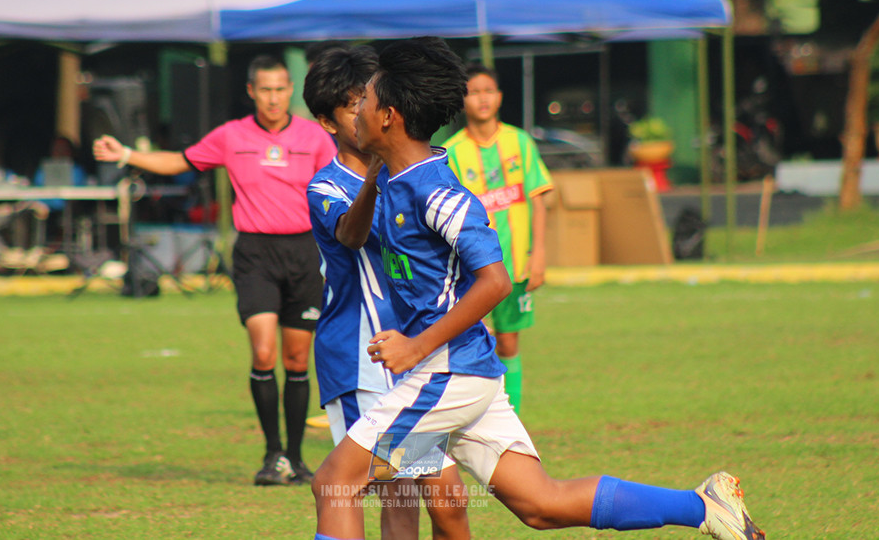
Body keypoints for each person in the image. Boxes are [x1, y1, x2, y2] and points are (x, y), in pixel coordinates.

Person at [311, 37, 764, 540]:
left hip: (445, 374)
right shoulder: (396, 182)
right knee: (540, 504)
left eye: (366, 100)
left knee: (335, 482)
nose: (358, 110)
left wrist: (416, 345)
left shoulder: (437, 192)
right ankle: (702, 506)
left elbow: (496, 281)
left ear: (389, 116)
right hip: (463, 374)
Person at [93, 55, 336, 486]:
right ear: (251, 91)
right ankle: (272, 455)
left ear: (290, 90)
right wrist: (127, 153)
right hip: (255, 254)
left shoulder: (314, 137)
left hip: (303, 253)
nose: (273, 98)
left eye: (280, 89)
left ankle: (297, 459)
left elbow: (342, 181)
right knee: (264, 352)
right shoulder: (232, 136)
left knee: (298, 359)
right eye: (265, 89)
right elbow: (179, 162)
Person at [303, 45, 471, 539]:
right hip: (361, 359)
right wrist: (375, 179)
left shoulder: (411, 173)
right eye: (351, 105)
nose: (364, 112)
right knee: (392, 491)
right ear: (327, 122)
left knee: (445, 500)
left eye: (368, 99)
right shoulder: (326, 187)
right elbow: (350, 235)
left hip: (416, 350)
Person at [444, 64, 552, 416]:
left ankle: (512, 415)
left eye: (488, 91)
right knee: (477, 343)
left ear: (500, 97)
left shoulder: (520, 142)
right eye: (474, 92)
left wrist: (538, 255)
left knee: (508, 342)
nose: (482, 99)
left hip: (516, 264)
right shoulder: (451, 152)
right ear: (462, 100)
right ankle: (476, 415)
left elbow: (538, 200)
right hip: (474, 269)